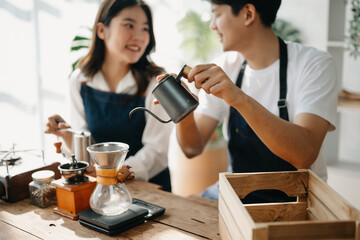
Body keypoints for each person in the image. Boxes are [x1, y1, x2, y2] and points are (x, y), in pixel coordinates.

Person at [161, 0, 338, 202]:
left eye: (216, 14)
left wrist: (238, 98)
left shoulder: (315, 64)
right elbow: (192, 148)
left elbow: (304, 154)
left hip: (297, 204)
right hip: (236, 196)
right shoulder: (224, 66)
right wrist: (182, 110)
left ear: (248, 14)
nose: (212, 25)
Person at [45, 0, 173, 192]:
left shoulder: (156, 82)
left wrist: (115, 173)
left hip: (149, 188)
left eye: (145, 29)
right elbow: (85, 150)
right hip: (102, 187)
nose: (139, 36)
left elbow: (157, 152)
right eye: (129, 25)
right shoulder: (81, 80)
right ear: (101, 31)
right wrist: (69, 136)